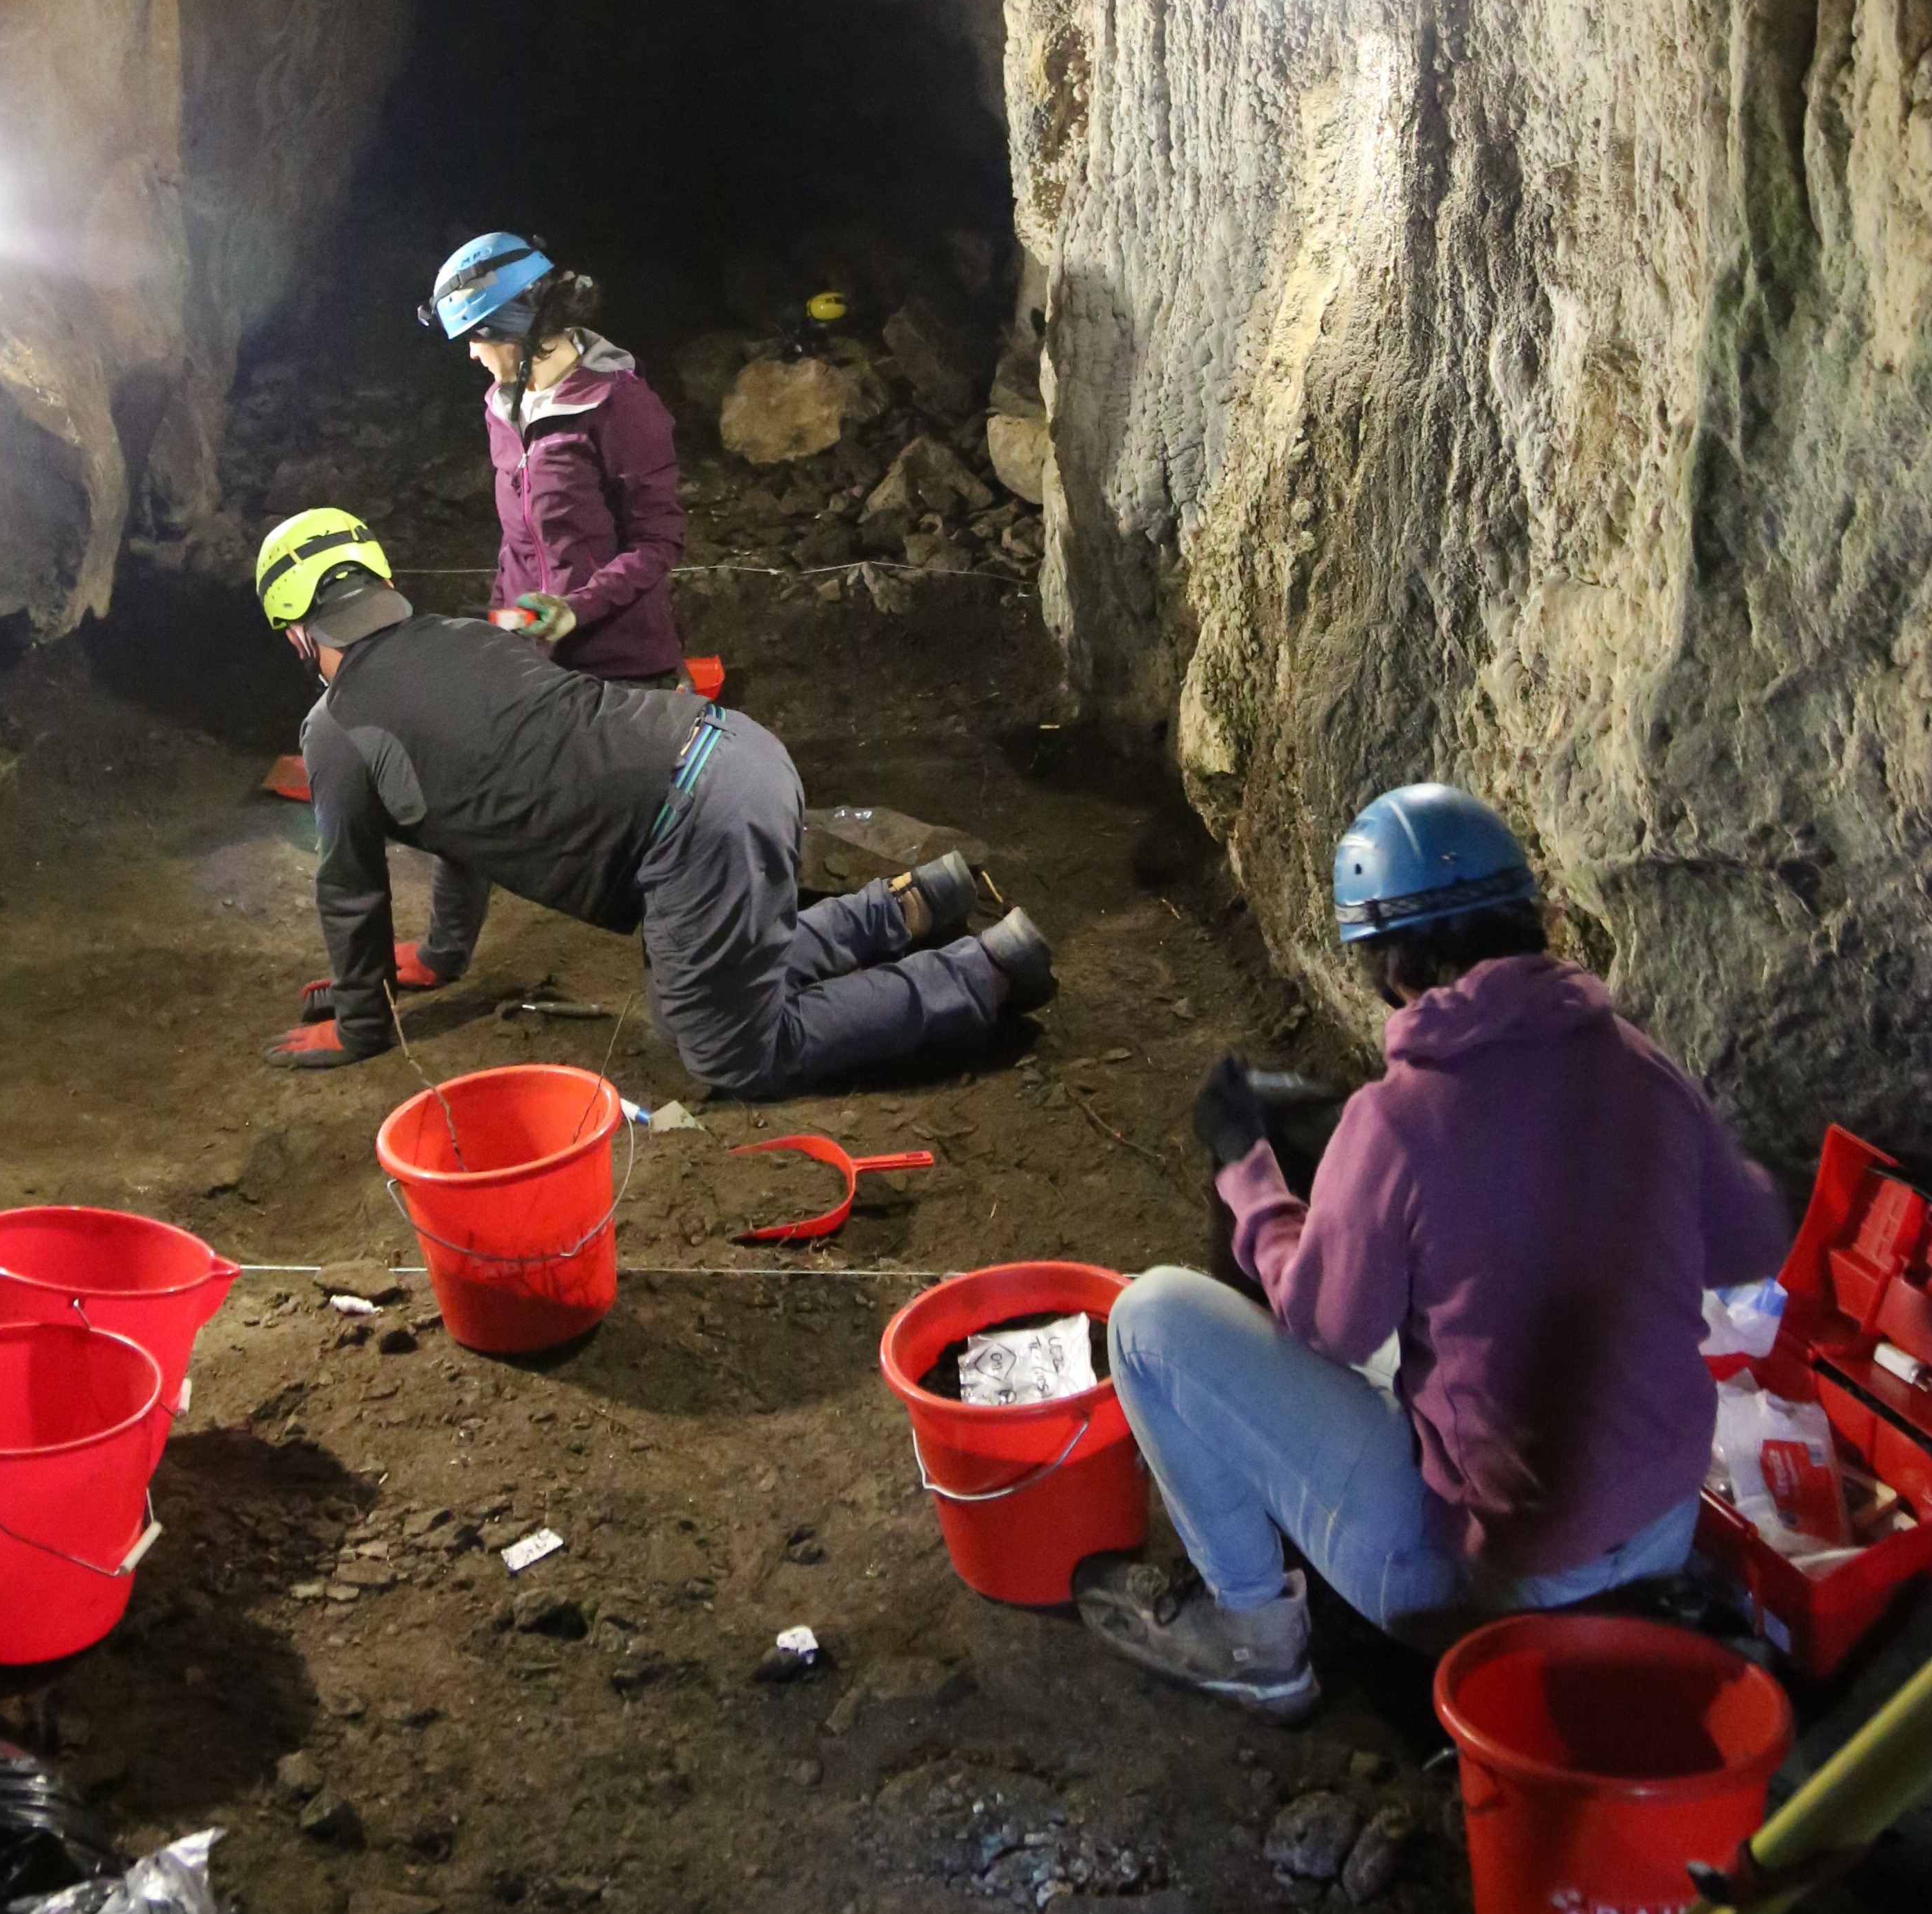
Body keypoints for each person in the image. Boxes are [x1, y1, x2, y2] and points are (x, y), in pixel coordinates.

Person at [1075, 783, 1789, 1723]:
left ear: (1392, 960)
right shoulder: (1639, 1065)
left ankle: (1254, 1640)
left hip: (1483, 1586)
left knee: (1149, 1320)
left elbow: (1327, 1325)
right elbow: (1749, 1239)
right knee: (1440, 1315)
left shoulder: (1401, 1122)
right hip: (1659, 1528)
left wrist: (1250, 1176)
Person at [252, 506, 1053, 1084]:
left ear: (297, 634)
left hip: (691, 828)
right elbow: (465, 827)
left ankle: (981, 972)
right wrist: (440, 957)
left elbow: (350, 890)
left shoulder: (336, 727)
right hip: (736, 751)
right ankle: (918, 902)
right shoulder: (469, 638)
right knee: (702, 988)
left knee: (729, 1049)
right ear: (384, 583)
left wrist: (361, 1025)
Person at [393, 229, 691, 990]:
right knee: (465, 779)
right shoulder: (503, 405)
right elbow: (516, 536)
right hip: (529, 644)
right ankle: (442, 954)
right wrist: (505, 620)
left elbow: (659, 543)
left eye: (477, 339)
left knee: (662, 827)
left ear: (517, 331)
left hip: (624, 661)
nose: (470, 356)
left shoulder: (620, 405)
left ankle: (688, 984)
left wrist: (573, 609)